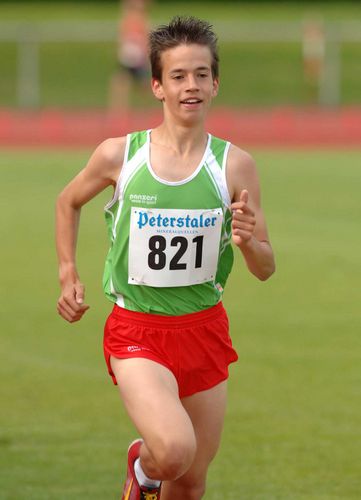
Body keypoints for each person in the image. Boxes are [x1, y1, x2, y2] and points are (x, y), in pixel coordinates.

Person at [56, 16, 275, 500]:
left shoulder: (235, 165)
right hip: (138, 330)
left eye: (201, 74)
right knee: (173, 451)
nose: (190, 86)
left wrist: (248, 242)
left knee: (191, 482)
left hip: (204, 330)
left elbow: (265, 266)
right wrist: (68, 270)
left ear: (216, 83)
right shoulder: (121, 156)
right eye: (178, 76)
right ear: (156, 85)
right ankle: (142, 463)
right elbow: (68, 201)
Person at [109, 0, 150, 110]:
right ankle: (119, 110)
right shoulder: (127, 21)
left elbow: (145, 39)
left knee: (144, 85)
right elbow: (122, 38)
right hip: (128, 56)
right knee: (120, 81)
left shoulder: (142, 21)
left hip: (137, 57)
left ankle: (146, 108)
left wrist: (145, 56)